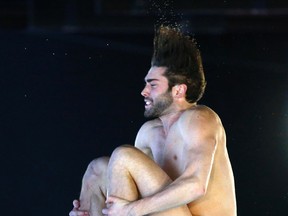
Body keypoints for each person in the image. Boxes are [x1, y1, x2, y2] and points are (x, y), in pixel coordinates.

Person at [69, 26, 237, 216]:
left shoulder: (199, 118)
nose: (144, 91)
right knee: (97, 169)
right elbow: (128, 188)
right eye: (146, 84)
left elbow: (196, 185)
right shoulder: (148, 132)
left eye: (153, 85)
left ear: (178, 91)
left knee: (124, 156)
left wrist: (131, 210)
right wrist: (91, 208)